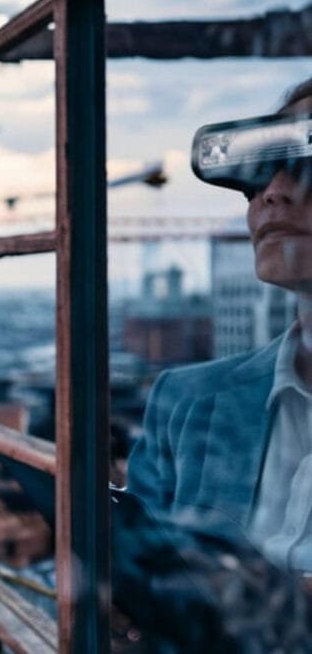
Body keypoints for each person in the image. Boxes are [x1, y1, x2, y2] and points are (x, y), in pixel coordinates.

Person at [126, 76, 312, 567]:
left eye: (304, 168)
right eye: (258, 176)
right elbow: (136, 583)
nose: (271, 194)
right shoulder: (184, 405)